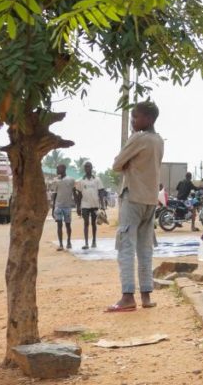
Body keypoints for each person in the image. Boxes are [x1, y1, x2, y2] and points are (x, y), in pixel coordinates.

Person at [107, 101, 165, 312]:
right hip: (150, 200)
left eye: (135, 117)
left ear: (147, 119)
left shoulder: (138, 138)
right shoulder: (159, 141)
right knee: (145, 248)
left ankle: (127, 296)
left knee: (126, 246)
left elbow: (116, 164)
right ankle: (146, 295)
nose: (132, 121)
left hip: (133, 198)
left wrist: (127, 164)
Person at [77, 161, 104, 250]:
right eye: (86, 167)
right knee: (86, 223)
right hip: (85, 205)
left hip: (95, 204)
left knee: (93, 223)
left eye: (89, 167)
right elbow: (79, 194)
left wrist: (102, 205)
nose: (87, 168)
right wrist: (78, 207)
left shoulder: (97, 179)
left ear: (92, 168)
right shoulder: (81, 180)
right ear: (84, 169)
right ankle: (86, 243)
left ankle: (94, 241)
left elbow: (101, 192)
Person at [51, 164, 76, 251]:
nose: (57, 170)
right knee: (59, 225)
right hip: (58, 206)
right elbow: (54, 194)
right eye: (57, 168)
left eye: (58, 168)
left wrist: (77, 205)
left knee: (68, 225)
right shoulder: (55, 181)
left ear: (64, 169)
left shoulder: (71, 180)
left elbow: (74, 192)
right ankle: (61, 244)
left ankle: (69, 241)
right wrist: (53, 208)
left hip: (67, 206)